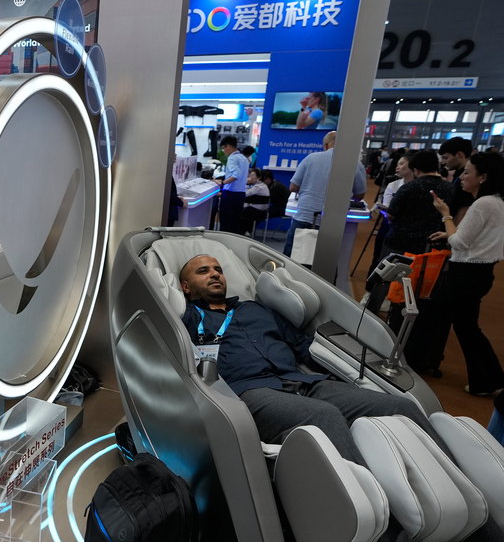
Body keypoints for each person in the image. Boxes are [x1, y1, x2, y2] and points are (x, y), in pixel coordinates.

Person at [178, 253, 441, 465]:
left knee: (402, 406)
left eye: (218, 269)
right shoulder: (187, 319)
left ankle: (456, 481)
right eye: (203, 271)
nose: (215, 274)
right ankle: (372, 508)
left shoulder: (256, 308)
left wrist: (346, 377)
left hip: (304, 382)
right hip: (250, 392)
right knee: (325, 416)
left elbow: (303, 346)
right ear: (185, 287)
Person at [428, 151, 504, 396]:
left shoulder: (483, 204)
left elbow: (460, 242)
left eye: (467, 172)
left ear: (483, 177)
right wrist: (450, 233)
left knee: (432, 316)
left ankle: (405, 364)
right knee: (466, 327)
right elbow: (472, 238)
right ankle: (489, 381)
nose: (461, 177)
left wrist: (445, 214)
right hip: (480, 272)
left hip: (466, 273)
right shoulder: (497, 202)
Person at [284, 131, 367, 256]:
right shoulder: (355, 163)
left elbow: (293, 187)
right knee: (325, 260)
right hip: (333, 222)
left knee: (293, 258)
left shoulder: (311, 158)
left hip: (305, 216)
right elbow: (360, 195)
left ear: (326, 145)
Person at [377, 150, 453, 264]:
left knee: (391, 273)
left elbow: (391, 214)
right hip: (434, 244)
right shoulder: (450, 188)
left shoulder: (408, 187)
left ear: (416, 170)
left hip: (400, 242)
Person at [367, 150, 416, 276]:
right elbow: (387, 208)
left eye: (401, 164)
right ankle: (372, 286)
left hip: (410, 232)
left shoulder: (418, 186)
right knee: (380, 259)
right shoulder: (393, 185)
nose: (397, 167)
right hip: (389, 227)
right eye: (397, 164)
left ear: (412, 166)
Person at [214, 136, 249, 233]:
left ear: (228, 146)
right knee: (235, 223)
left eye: (223, 148)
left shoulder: (232, 158)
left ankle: (224, 242)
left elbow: (236, 175)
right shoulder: (244, 158)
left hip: (230, 194)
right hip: (241, 194)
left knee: (225, 223)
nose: (223, 151)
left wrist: (222, 182)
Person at [440, 137, 475, 222]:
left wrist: (452, 230)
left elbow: (463, 209)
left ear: (459, 155)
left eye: (446, 158)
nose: (443, 162)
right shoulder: (458, 173)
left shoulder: (468, 178)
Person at [238, 168, 270, 235]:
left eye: (252, 175)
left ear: (258, 177)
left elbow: (245, 194)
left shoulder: (258, 187)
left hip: (256, 212)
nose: (251, 177)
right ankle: (247, 231)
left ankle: (240, 232)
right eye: (250, 175)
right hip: (263, 211)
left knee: (237, 211)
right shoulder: (263, 186)